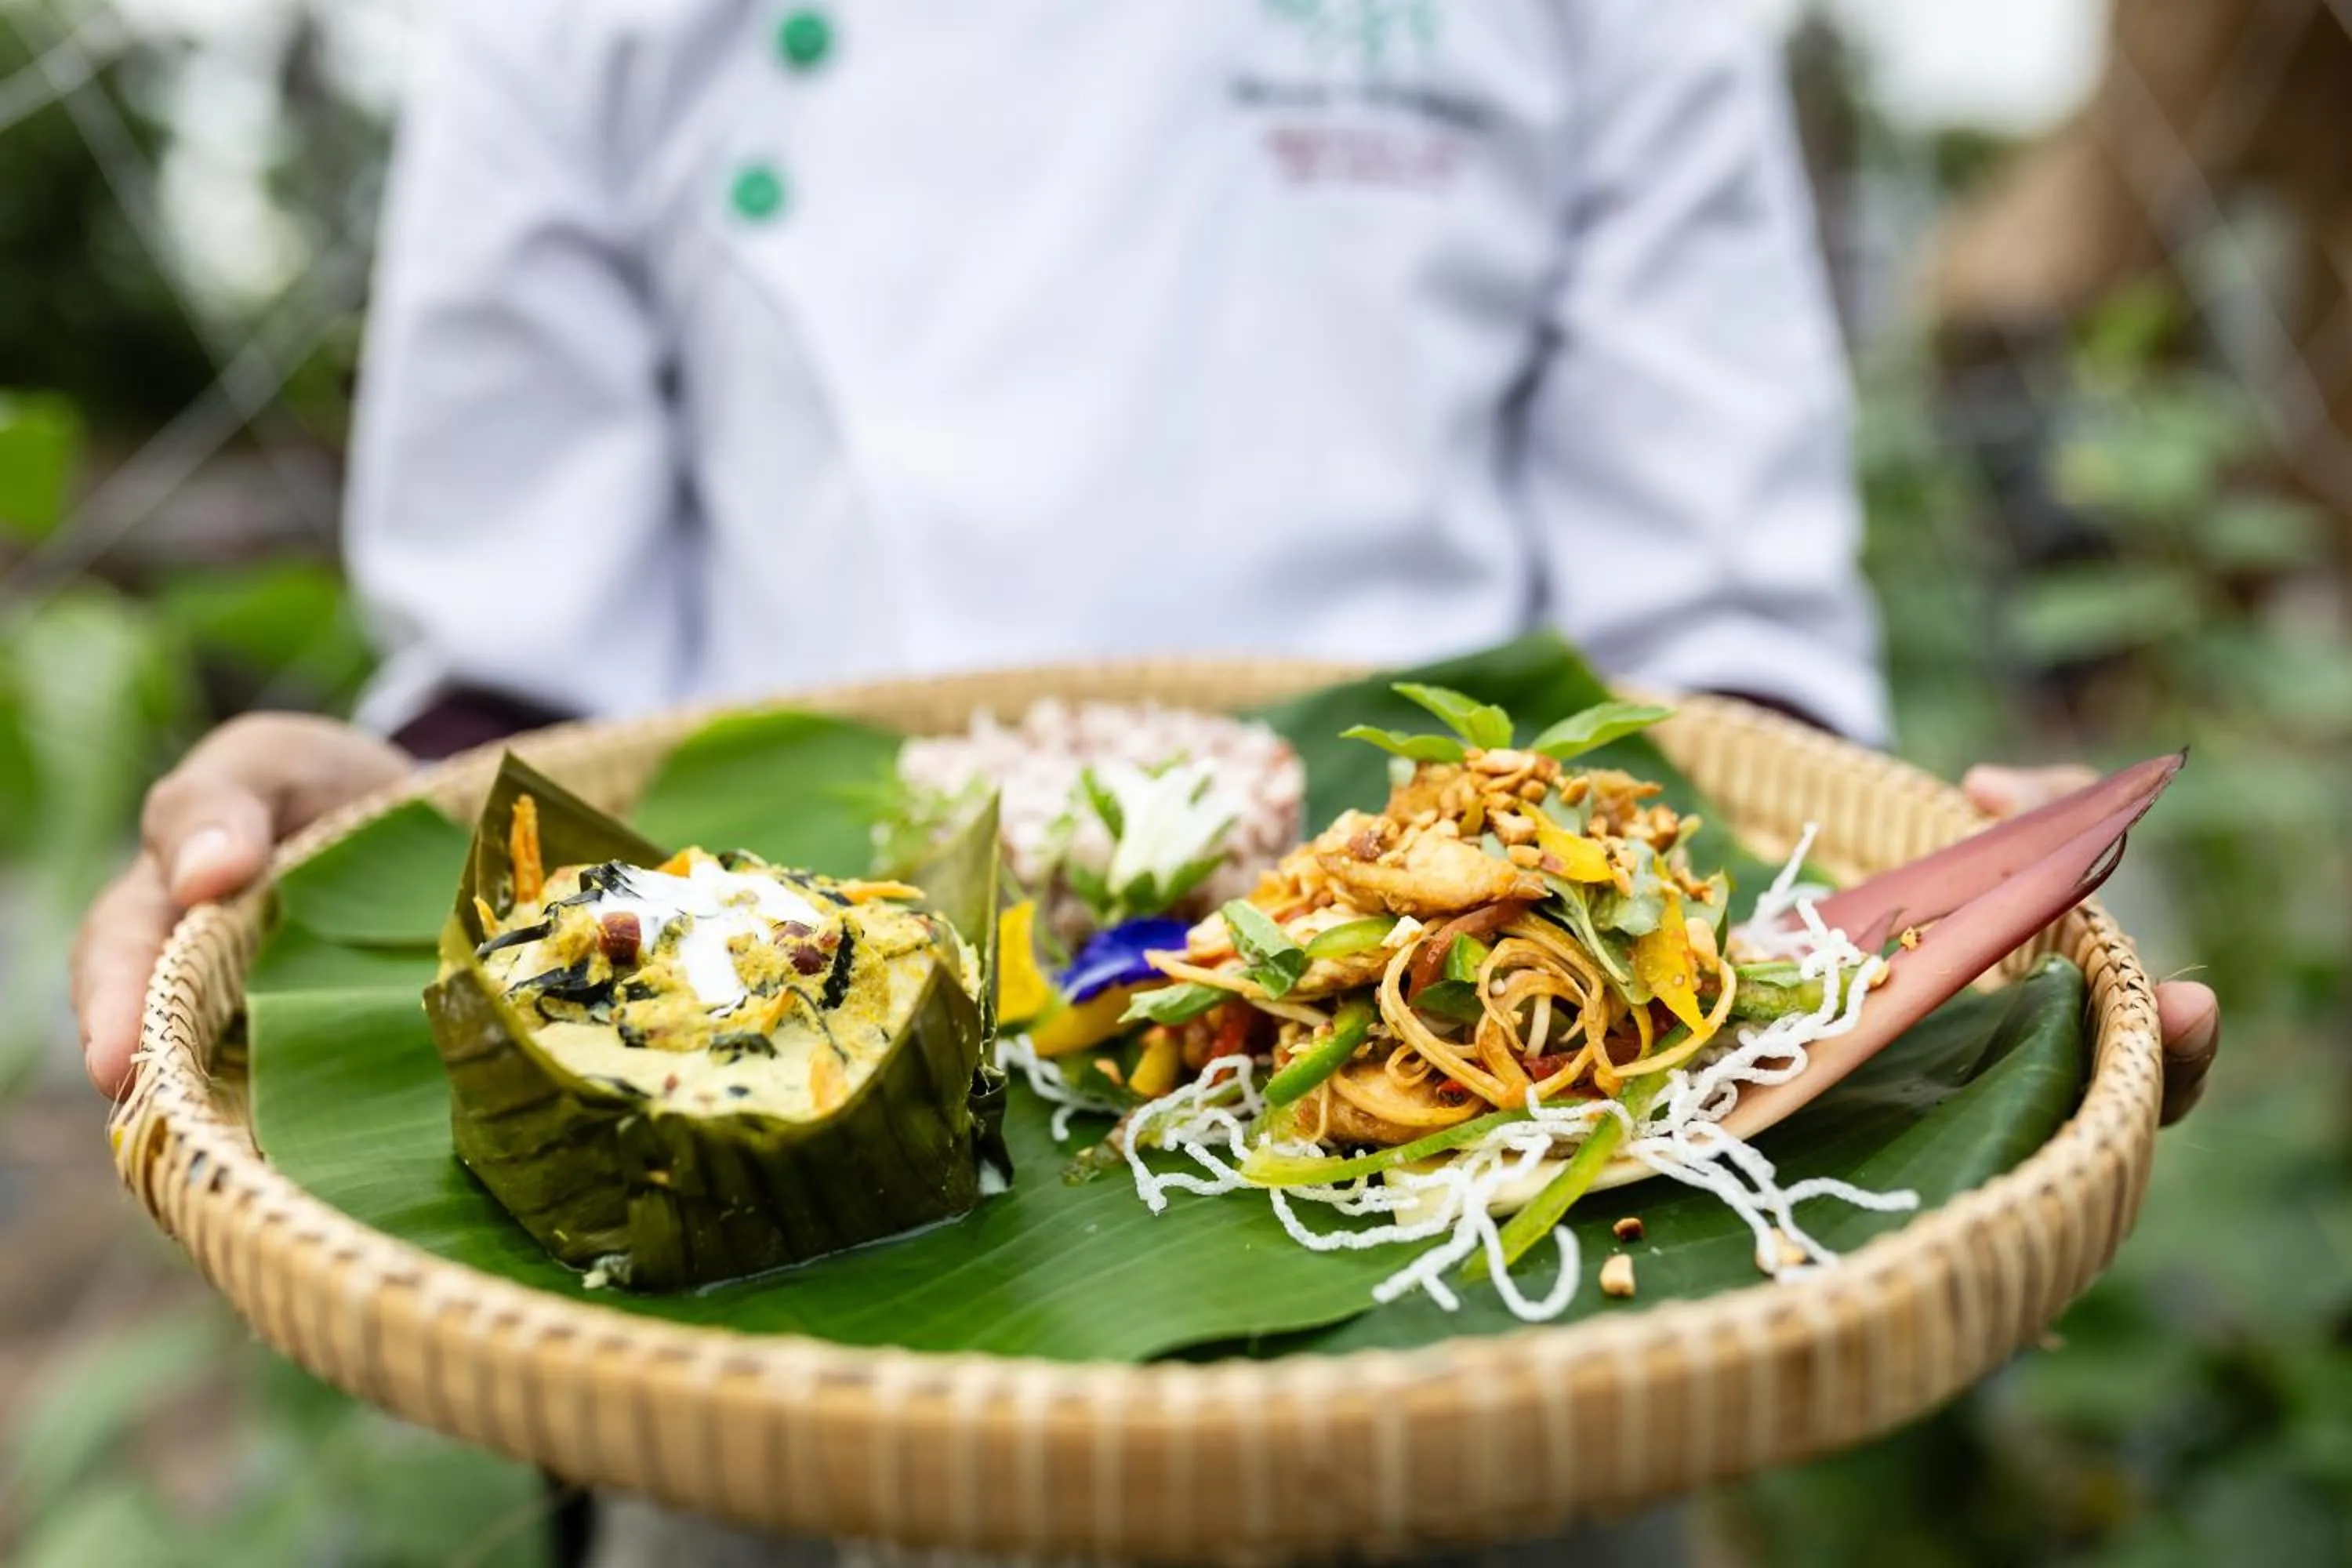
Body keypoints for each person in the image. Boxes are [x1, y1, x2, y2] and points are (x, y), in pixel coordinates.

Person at [70, 2, 2221, 1563]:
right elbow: (529, 657)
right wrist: (383, 819)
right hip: (773, 1318)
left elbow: (1719, 653)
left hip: (1507, 1355)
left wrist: (1887, 903)